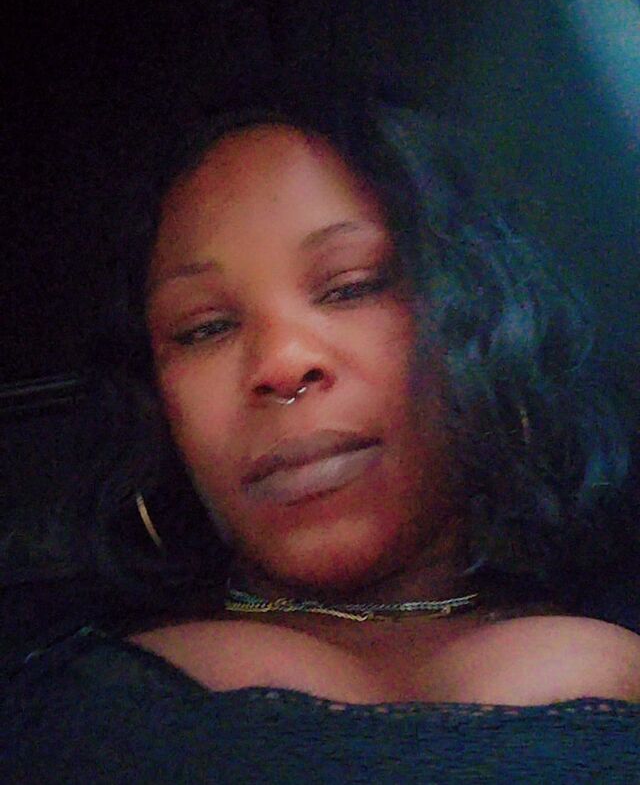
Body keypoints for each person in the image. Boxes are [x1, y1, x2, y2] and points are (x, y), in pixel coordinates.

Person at [3, 85, 640, 782]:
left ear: (485, 317)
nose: (281, 363)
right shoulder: (37, 684)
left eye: (351, 286)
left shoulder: (616, 598)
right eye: (205, 328)